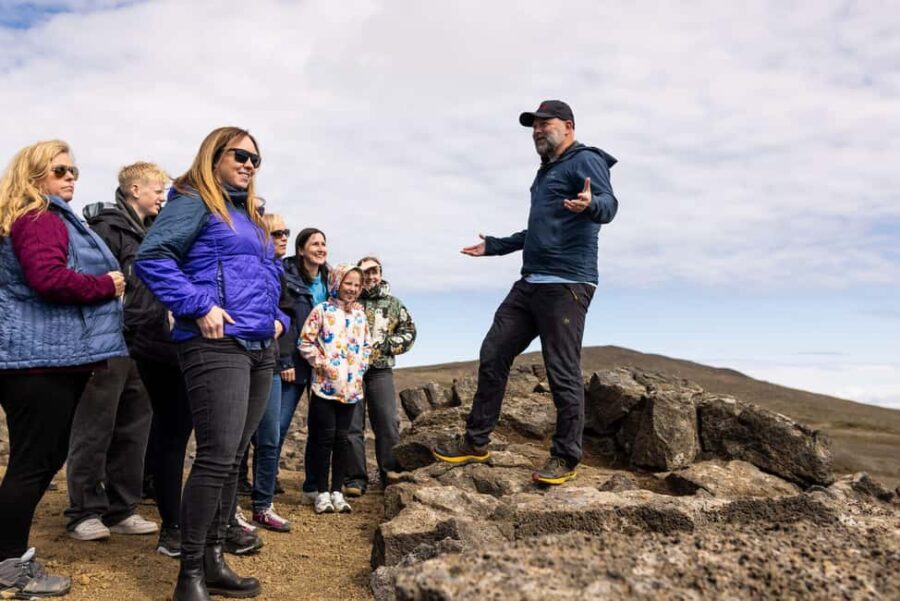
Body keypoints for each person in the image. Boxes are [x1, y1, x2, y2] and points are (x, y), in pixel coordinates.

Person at [432, 100, 619, 485]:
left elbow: (609, 205)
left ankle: (566, 456)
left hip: (566, 284)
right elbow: (539, 230)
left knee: (561, 370)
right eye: (533, 125)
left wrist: (591, 204)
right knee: (494, 352)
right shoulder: (547, 171)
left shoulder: (585, 160)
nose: (537, 130)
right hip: (530, 283)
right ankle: (475, 441)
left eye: (544, 123)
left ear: (568, 126)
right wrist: (496, 246)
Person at [136, 127, 287, 601]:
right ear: (214, 156)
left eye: (255, 159)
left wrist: (279, 318)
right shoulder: (194, 201)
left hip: (260, 345)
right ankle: (189, 576)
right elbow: (152, 257)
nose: (249, 164)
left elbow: (269, 275)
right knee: (216, 456)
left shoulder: (249, 215)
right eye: (240, 155)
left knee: (232, 459)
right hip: (215, 344)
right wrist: (198, 304)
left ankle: (215, 561)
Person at [0, 140, 126, 598]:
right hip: (41, 363)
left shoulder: (29, 216)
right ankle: (8, 565)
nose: (70, 176)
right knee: (33, 464)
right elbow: (48, 278)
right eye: (59, 170)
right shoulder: (39, 217)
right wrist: (105, 284)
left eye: (73, 170)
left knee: (36, 460)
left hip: (37, 359)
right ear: (34, 176)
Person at [64, 162, 166, 542]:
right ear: (135, 189)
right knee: (95, 427)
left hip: (143, 343)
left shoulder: (152, 233)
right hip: (108, 341)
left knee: (134, 429)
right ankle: (83, 511)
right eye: (158, 190)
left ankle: (122, 509)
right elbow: (91, 281)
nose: (162, 197)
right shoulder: (106, 229)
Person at [299, 264, 370, 514]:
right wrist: (323, 364)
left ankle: (337, 491)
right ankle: (321, 492)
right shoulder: (322, 310)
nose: (352, 289)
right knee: (324, 439)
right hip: (325, 387)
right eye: (348, 283)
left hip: (351, 390)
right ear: (337, 282)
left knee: (343, 440)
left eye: (357, 285)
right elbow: (305, 342)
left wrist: (360, 368)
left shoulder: (360, 316)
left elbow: (367, 346)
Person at [344, 256, 416, 496]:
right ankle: (355, 479)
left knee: (387, 422)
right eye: (365, 272)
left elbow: (409, 332)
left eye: (374, 271)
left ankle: (390, 474)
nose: (370, 277)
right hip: (352, 371)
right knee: (352, 425)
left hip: (380, 371)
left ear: (381, 274)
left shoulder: (394, 304)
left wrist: (386, 345)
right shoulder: (349, 302)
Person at [246, 211, 292, 532]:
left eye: (286, 232)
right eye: (277, 233)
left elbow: (284, 312)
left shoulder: (279, 272)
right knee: (235, 438)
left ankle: (263, 505)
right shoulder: (247, 265)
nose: (284, 238)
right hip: (239, 357)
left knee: (270, 438)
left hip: (270, 361)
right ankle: (227, 510)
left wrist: (280, 322)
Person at [288, 228, 328, 503]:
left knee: (319, 427)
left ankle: (312, 486)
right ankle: (262, 486)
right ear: (301, 249)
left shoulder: (330, 280)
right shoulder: (286, 275)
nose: (321, 248)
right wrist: (283, 360)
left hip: (322, 366)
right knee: (277, 427)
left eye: (324, 243)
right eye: (315, 244)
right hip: (293, 361)